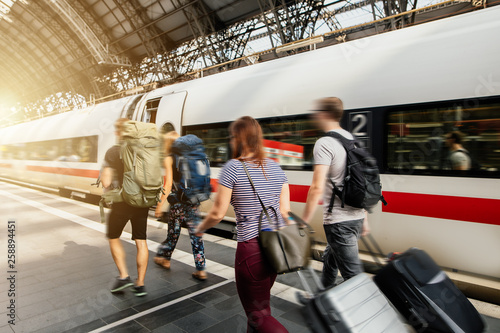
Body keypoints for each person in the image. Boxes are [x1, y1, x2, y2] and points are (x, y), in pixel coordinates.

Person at [195, 116, 290, 333]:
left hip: (251, 249)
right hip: (276, 249)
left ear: (239, 138)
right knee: (257, 308)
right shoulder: (276, 167)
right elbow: (285, 212)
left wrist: (200, 229)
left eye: (232, 137)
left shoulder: (233, 167)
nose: (230, 141)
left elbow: (218, 212)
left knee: (259, 314)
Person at [302, 97, 369, 289]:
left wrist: (303, 221)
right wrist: (365, 217)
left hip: (339, 222)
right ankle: (324, 296)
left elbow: (316, 187)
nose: (314, 116)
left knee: (354, 278)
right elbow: (362, 181)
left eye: (316, 113)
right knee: (331, 258)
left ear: (324, 114)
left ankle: (369, 316)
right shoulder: (352, 139)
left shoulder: (325, 143)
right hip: (355, 217)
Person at [101, 118, 149, 297]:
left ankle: (124, 276)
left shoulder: (113, 151)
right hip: (142, 202)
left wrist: (106, 185)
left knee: (113, 237)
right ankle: (141, 284)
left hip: (122, 202)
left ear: (118, 132)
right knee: (141, 241)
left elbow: (106, 181)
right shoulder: (144, 149)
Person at [154, 131, 207, 281]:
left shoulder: (169, 159)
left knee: (173, 233)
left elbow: (169, 184)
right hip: (193, 202)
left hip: (177, 203)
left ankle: (165, 258)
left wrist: (159, 205)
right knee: (196, 236)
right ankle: (201, 269)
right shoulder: (191, 157)